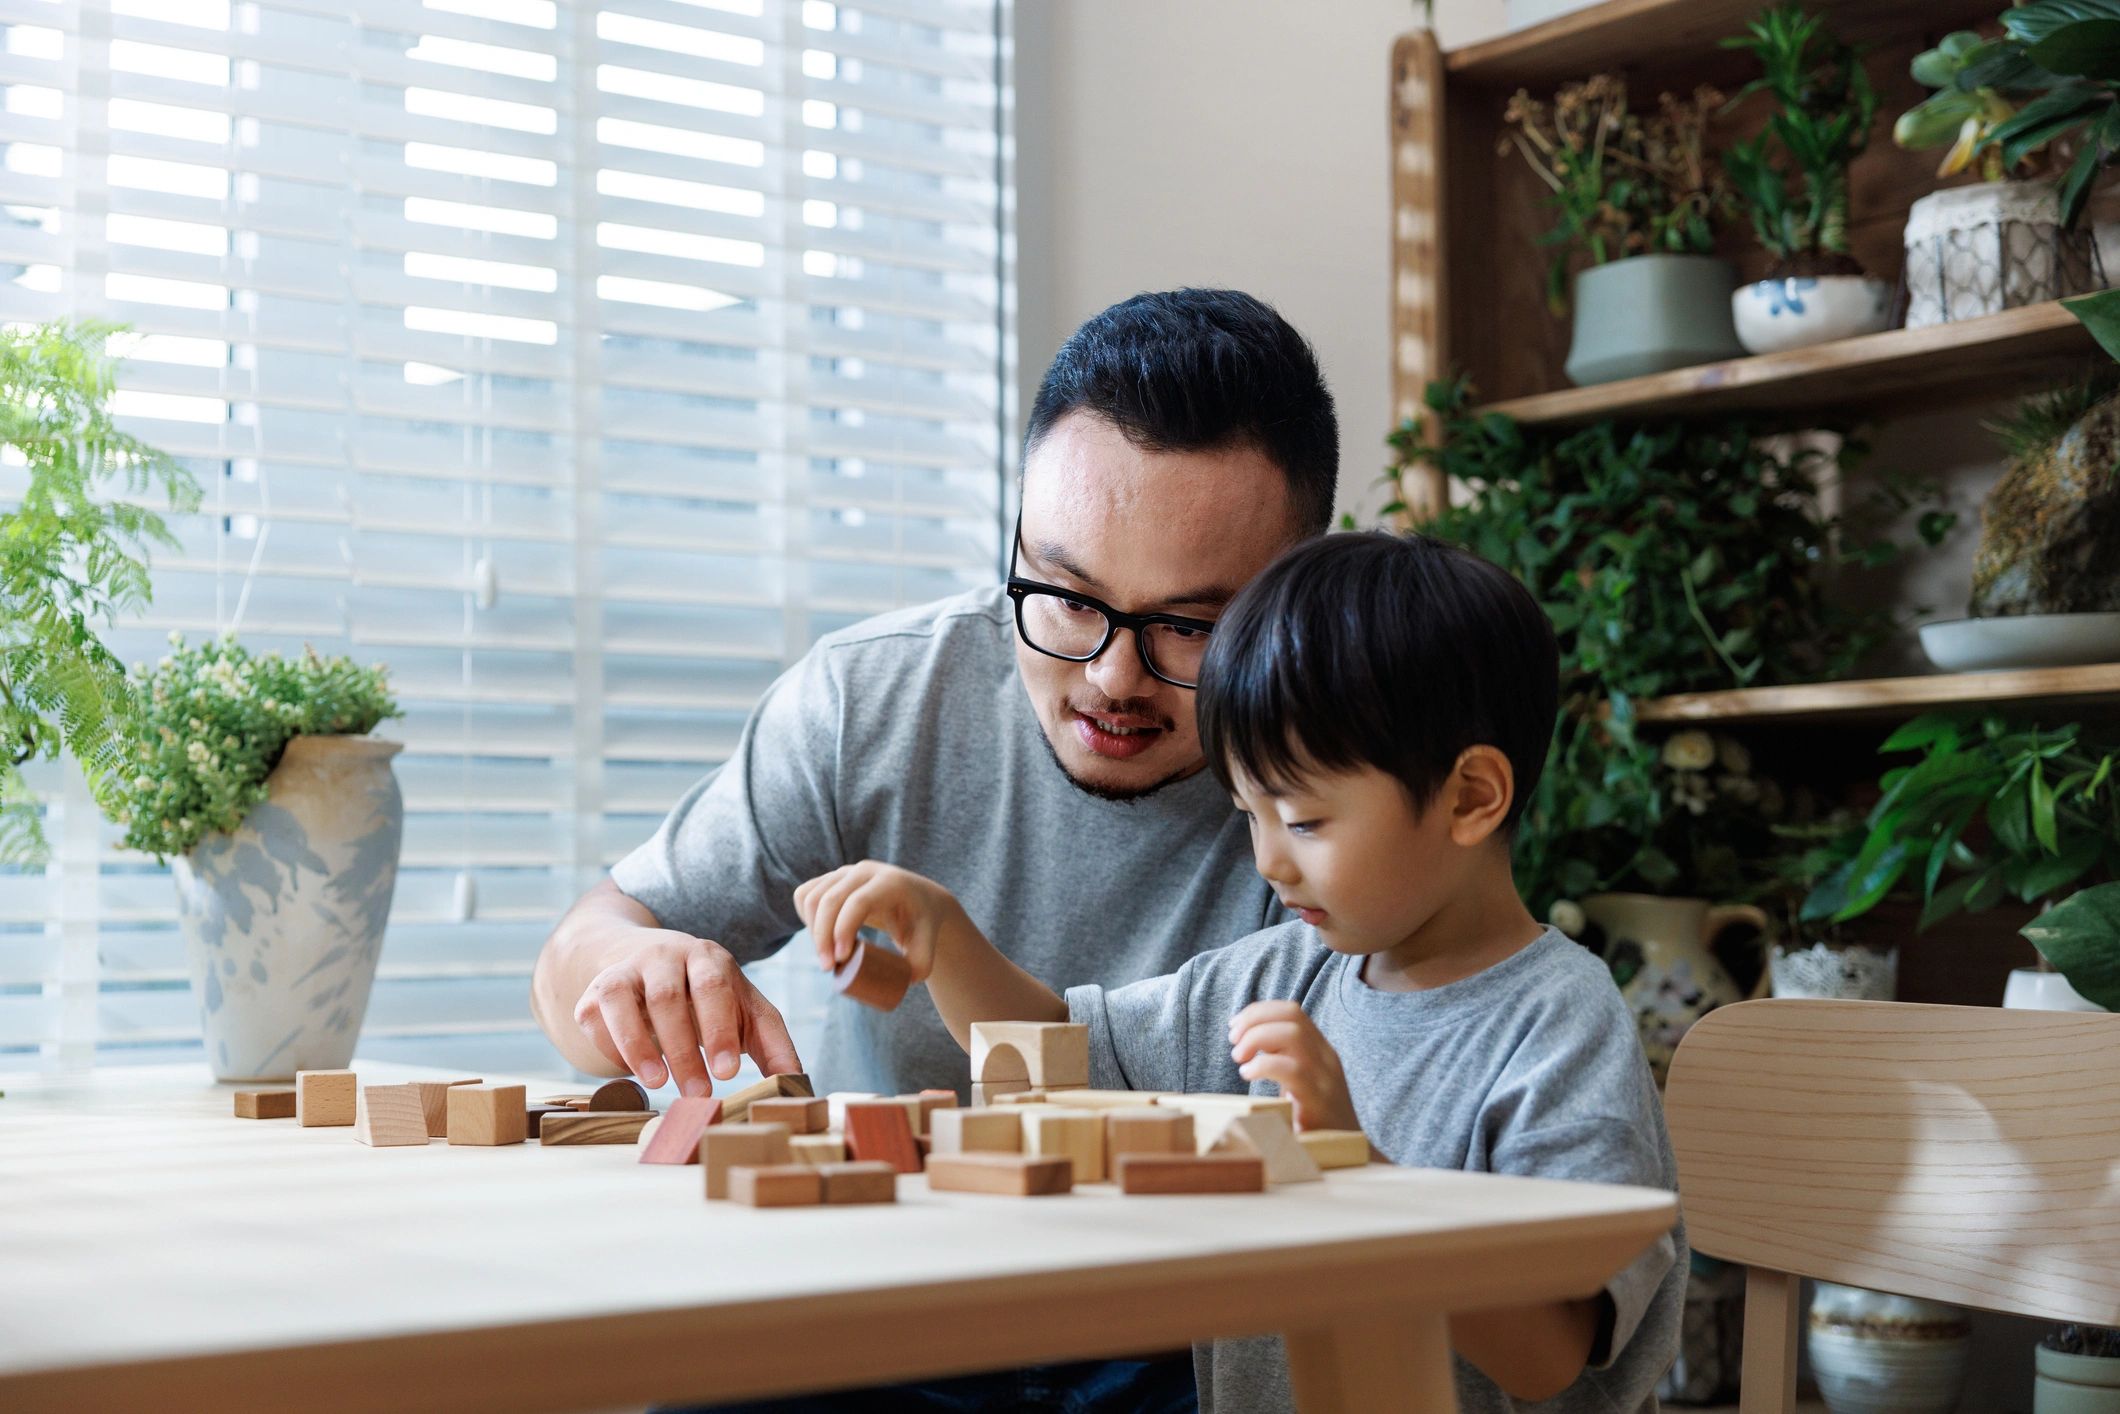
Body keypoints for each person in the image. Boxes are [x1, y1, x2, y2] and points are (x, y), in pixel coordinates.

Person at [533, 288, 1338, 1410]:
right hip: (875, 1304)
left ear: (1296, 593)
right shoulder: (870, 701)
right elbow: (580, 954)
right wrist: (633, 972)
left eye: (1189, 626)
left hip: (1181, 1320)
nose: (1109, 676)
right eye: (1062, 594)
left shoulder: (1351, 782)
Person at [798, 531, 1686, 1414]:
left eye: (1301, 821)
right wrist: (945, 938)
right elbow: (1056, 1056)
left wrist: (1358, 1173)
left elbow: (1555, 1356)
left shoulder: (1559, 1025)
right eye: (1246, 814)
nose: (1269, 861)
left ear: (1469, 798)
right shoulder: (1286, 974)